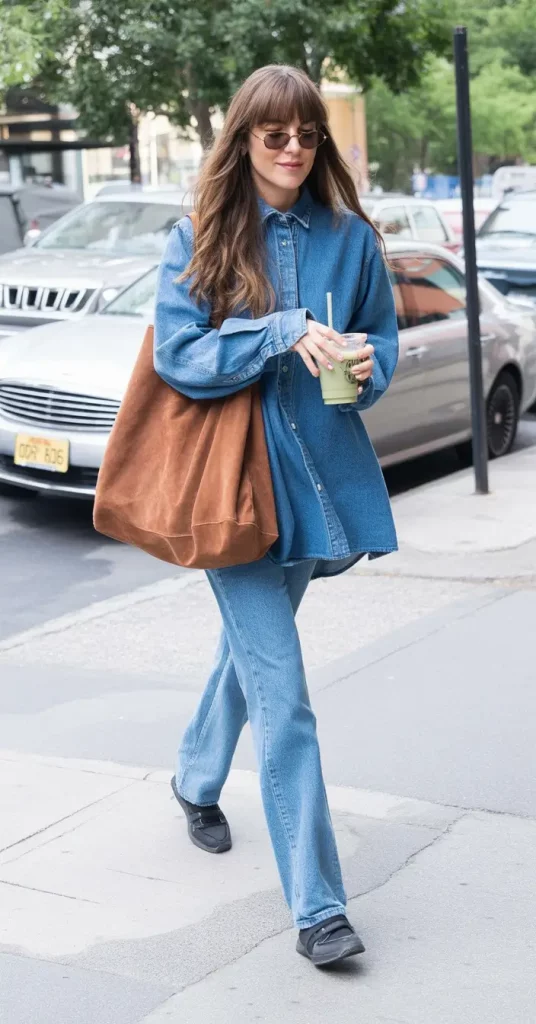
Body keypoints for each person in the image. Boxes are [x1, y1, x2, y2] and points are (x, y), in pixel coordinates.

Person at [154, 64, 399, 967]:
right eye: (274, 135)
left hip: (320, 490)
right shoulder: (198, 238)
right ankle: (319, 912)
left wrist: (372, 366)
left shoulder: (351, 239)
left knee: (251, 662)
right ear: (244, 139)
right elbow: (181, 356)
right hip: (235, 496)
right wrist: (280, 328)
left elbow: (383, 335)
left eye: (307, 135)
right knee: (284, 697)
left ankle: (192, 778)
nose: (294, 150)